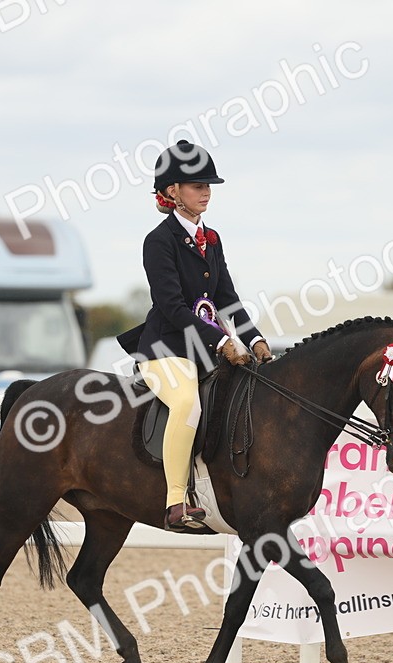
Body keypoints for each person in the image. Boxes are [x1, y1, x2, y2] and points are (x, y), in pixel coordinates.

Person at [116, 140, 273, 532]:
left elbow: (227, 299)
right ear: (172, 192)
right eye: (196, 185)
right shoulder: (159, 241)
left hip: (205, 350)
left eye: (208, 185)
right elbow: (172, 307)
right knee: (188, 403)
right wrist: (222, 341)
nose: (206, 191)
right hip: (165, 349)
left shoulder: (212, 239)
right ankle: (175, 502)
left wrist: (254, 340)